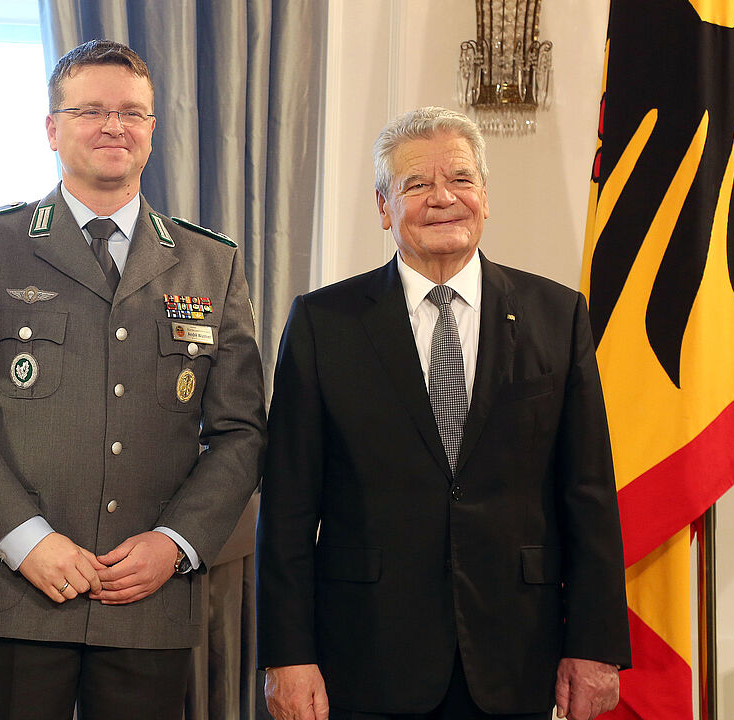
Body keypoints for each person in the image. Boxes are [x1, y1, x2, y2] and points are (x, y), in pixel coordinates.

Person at [0, 39, 266, 720]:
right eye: (90, 111)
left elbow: (241, 432)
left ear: (153, 132)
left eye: (131, 113)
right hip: (15, 592)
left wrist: (176, 544)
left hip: (149, 597)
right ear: (52, 127)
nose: (113, 127)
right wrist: (27, 539)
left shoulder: (208, 263)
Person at [256, 107, 631, 720]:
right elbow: (289, 508)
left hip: (517, 654)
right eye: (416, 185)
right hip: (366, 655)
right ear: (384, 207)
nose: (442, 199)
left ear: (485, 196)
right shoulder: (324, 324)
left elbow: (588, 493)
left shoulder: (557, 316)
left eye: (460, 179)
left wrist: (595, 646)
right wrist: (287, 656)